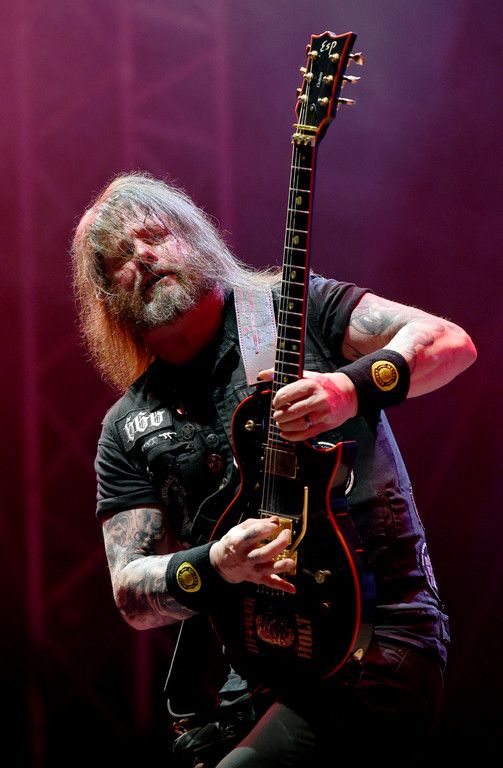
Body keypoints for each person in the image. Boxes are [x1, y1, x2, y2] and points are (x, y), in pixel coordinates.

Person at [71, 171, 476, 767]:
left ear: (194, 235)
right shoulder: (126, 427)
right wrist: (217, 563)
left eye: (155, 236)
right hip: (254, 677)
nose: (144, 257)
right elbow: (132, 595)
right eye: (120, 257)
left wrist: (348, 388)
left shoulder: (295, 310)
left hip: (376, 640)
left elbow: (449, 342)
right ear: (108, 295)